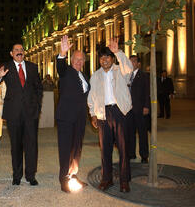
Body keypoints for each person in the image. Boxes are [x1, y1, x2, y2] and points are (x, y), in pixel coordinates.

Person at [87, 38, 132, 193]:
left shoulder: (120, 70)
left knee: (123, 149)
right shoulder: (95, 76)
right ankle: (107, 179)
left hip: (120, 112)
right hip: (103, 115)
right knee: (105, 149)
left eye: (107, 57)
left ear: (112, 59)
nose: (104, 60)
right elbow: (91, 97)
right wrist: (93, 114)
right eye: (101, 57)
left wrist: (118, 52)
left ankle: (124, 181)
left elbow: (129, 68)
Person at [0, 43, 43, 186]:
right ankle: (17, 175)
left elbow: (38, 88)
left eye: (21, 50)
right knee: (15, 145)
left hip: (30, 113)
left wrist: (37, 106)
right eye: (16, 50)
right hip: (13, 113)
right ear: (11, 53)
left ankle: (31, 175)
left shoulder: (33, 67)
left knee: (31, 145)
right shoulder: (6, 67)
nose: (19, 52)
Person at [56, 35, 90, 193]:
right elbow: (60, 68)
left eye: (81, 59)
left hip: (80, 118)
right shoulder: (66, 72)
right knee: (65, 149)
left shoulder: (84, 75)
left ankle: (73, 175)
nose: (79, 62)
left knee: (77, 148)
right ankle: (64, 179)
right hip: (66, 118)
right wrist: (62, 54)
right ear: (71, 60)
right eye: (76, 59)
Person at [127, 55, 150, 163]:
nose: (131, 63)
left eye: (134, 61)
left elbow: (147, 92)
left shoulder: (144, 76)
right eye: (130, 61)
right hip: (128, 110)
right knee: (130, 133)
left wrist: (146, 106)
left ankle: (144, 155)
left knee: (142, 133)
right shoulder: (126, 75)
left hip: (140, 109)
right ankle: (131, 153)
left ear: (138, 64)